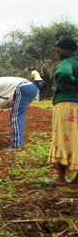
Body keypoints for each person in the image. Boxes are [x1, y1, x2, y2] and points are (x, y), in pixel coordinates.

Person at [48, 37, 78, 186]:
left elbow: (64, 74)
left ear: (67, 50)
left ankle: (61, 178)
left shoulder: (67, 63)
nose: (57, 52)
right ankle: (76, 179)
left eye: (58, 49)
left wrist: (70, 86)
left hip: (67, 105)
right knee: (76, 139)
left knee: (63, 138)